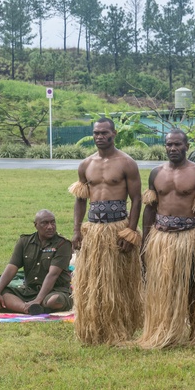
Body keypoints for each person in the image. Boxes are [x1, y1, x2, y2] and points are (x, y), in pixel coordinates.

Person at [137, 129, 195, 348]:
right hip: (161, 238)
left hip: (189, 236)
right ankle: (166, 331)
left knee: (193, 285)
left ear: (186, 145)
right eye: (169, 145)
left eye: (177, 145)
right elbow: (150, 209)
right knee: (164, 286)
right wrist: (145, 240)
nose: (173, 149)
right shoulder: (156, 173)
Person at [68, 117, 143, 345]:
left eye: (104, 133)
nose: (99, 137)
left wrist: (130, 231)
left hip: (116, 229)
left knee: (117, 283)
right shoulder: (86, 164)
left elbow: (137, 198)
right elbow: (81, 200)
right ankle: (94, 329)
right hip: (93, 231)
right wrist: (77, 230)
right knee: (93, 283)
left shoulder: (126, 163)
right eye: (96, 133)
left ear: (114, 134)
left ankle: (119, 329)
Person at [0, 210, 72, 315]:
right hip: (29, 291)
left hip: (54, 290)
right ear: (36, 225)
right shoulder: (24, 241)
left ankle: (27, 306)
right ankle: (28, 308)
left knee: (54, 301)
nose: (50, 226)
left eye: (53, 222)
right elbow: (11, 267)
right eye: (45, 223)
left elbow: (53, 274)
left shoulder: (63, 244)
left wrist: (38, 299)